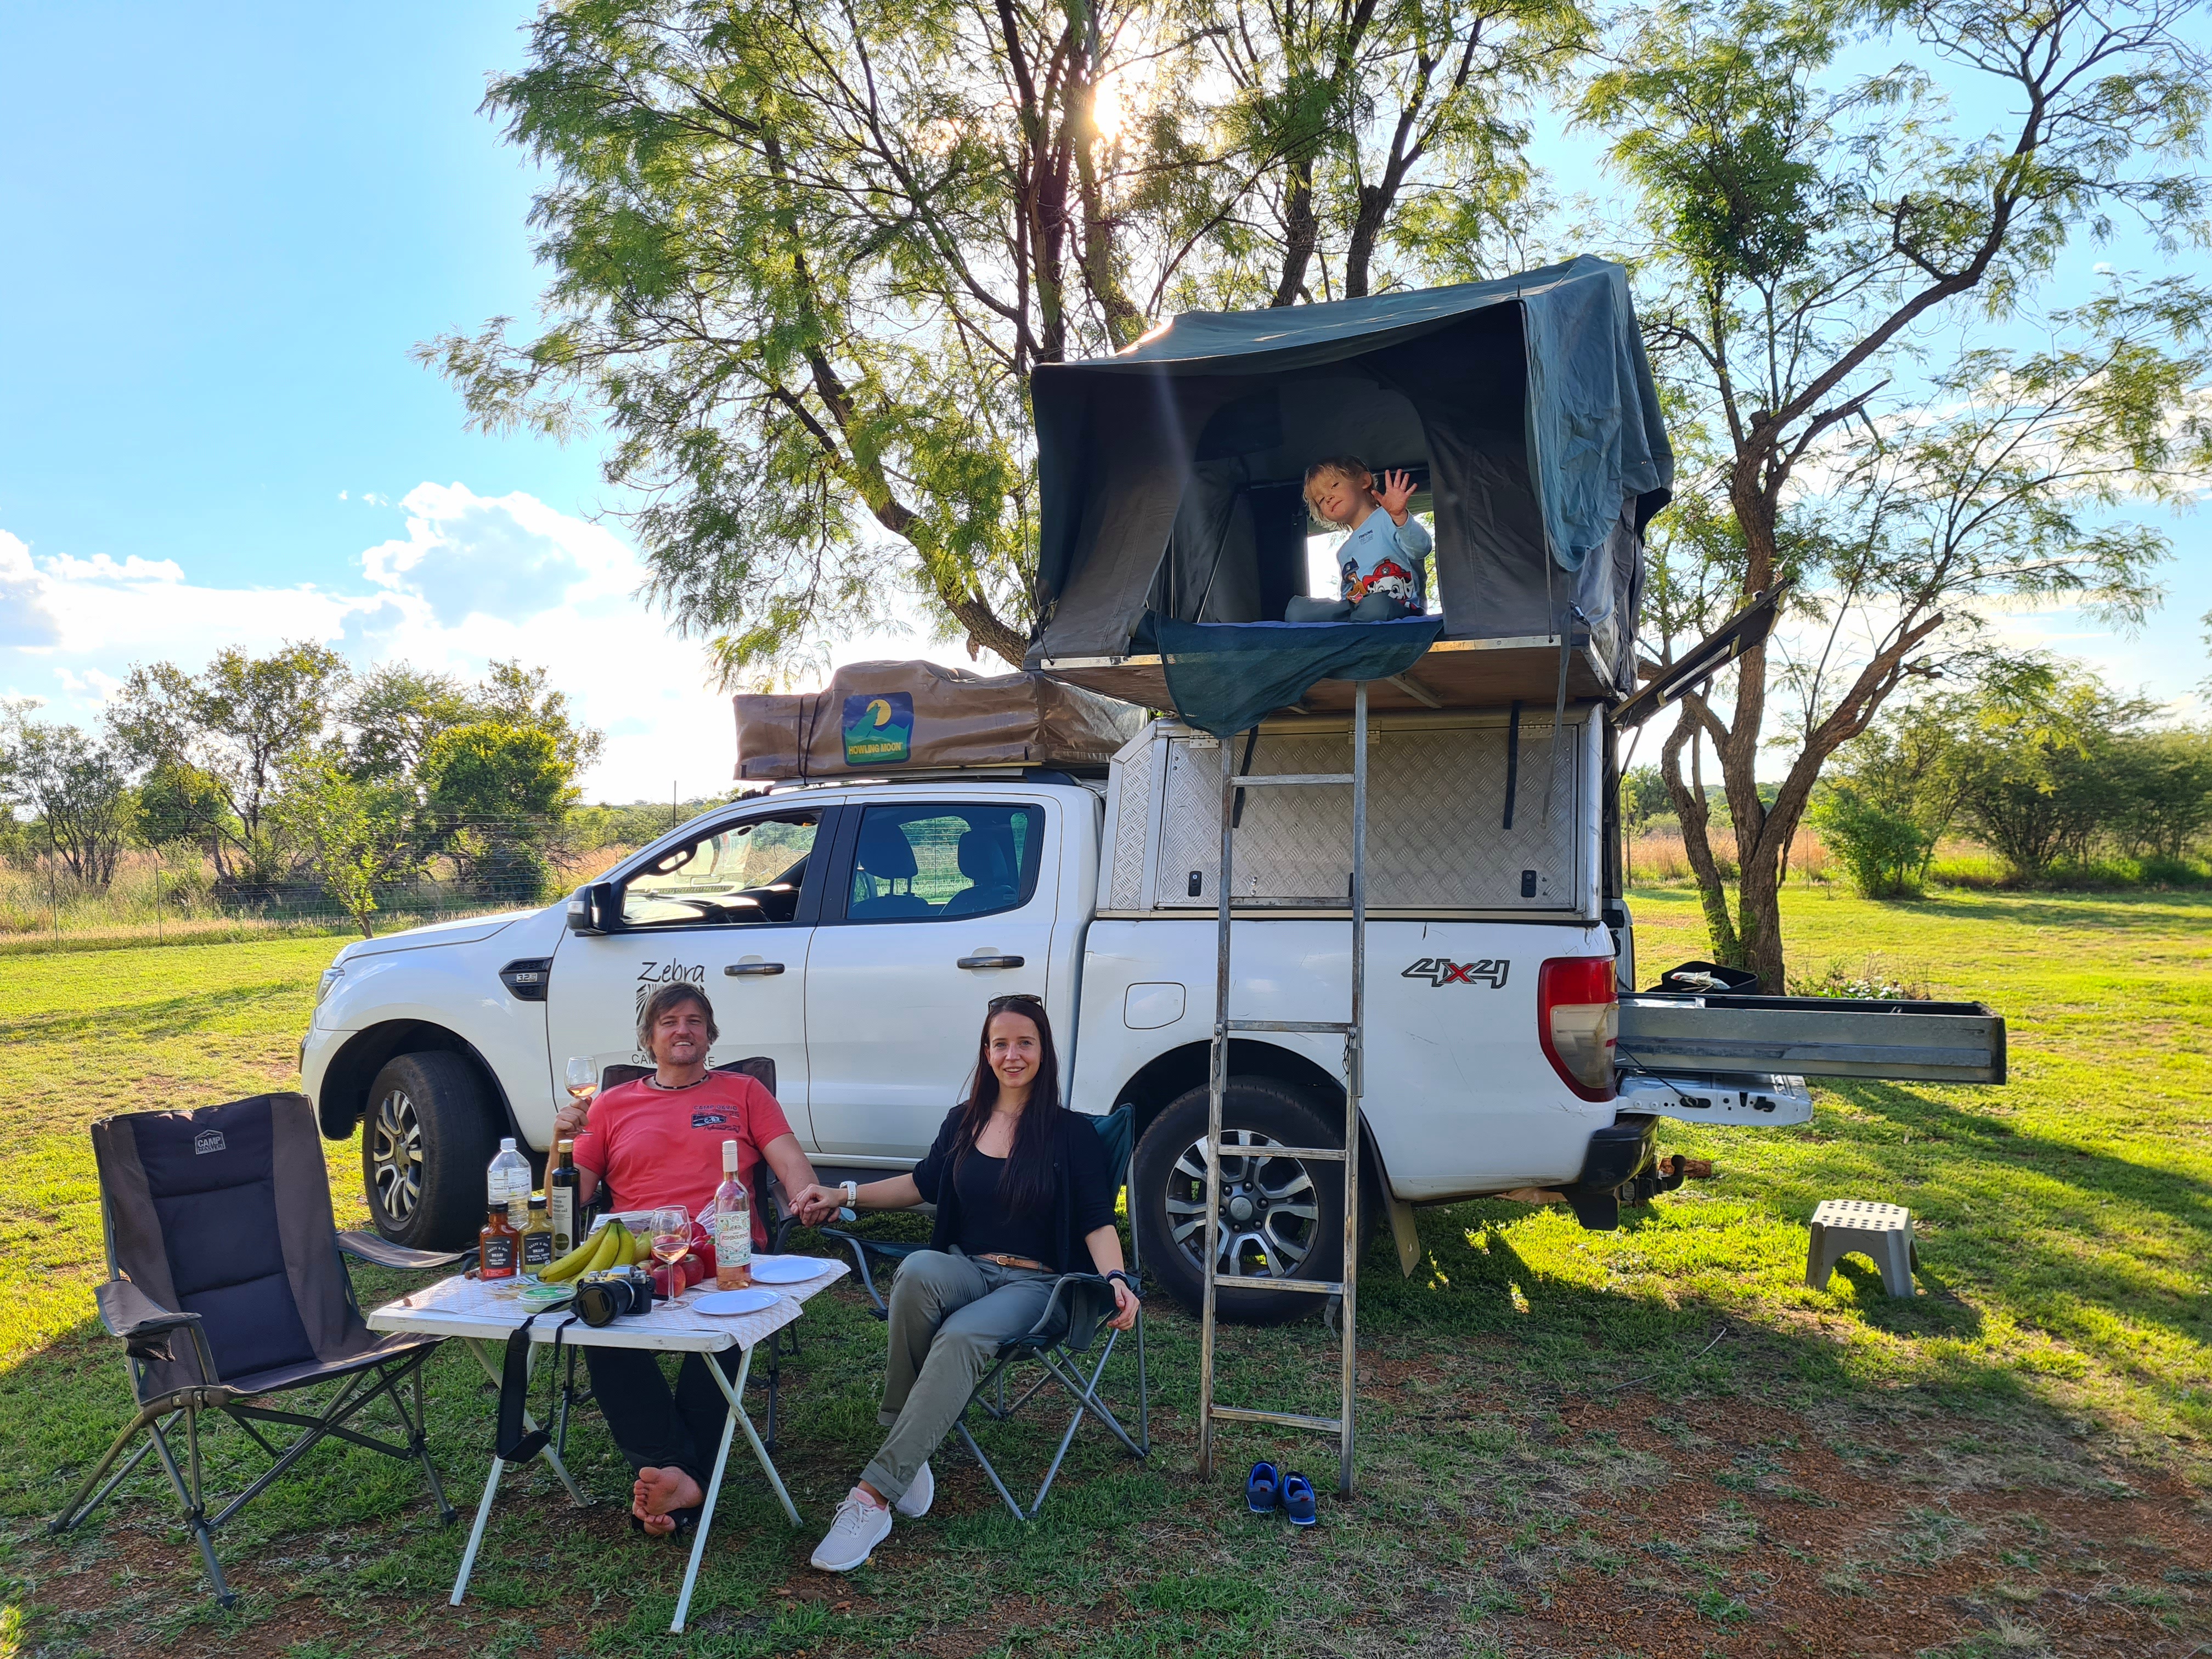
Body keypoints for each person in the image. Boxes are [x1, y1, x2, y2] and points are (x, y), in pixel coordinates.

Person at [789, 994, 1139, 1573]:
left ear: (1043, 1051)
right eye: (1000, 1043)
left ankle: (872, 1497)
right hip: (968, 1267)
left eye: (1025, 1042)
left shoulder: (1071, 1134)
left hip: (1036, 1286)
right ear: (986, 1051)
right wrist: (843, 1193)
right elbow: (920, 1184)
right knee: (918, 1271)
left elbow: (1097, 1219)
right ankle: (909, 1447)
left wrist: (1117, 1278)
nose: (1012, 1054)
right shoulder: (964, 1121)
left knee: (959, 1339)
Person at [554, 980, 825, 1539]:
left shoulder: (744, 1092)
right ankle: (680, 1472)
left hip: (727, 1256)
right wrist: (561, 1146)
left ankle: (673, 1475)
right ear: (649, 1039)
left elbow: (791, 1164)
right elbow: (569, 1201)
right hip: (636, 1260)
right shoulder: (609, 1105)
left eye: (695, 1021)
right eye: (670, 1021)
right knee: (597, 1325)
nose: (683, 1030)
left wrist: (808, 1199)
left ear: (710, 1035)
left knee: (723, 1329)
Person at [1283, 456, 1433, 622]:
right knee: (1296, 611)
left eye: (1334, 485)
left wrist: (1400, 517)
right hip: (1361, 611)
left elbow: (1422, 548)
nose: (1328, 498)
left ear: (1364, 481)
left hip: (1398, 609)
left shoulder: (1390, 518)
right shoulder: (1344, 552)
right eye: (1321, 500)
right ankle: (1351, 628)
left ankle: (1352, 627)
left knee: (1377, 605)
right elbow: (1348, 597)